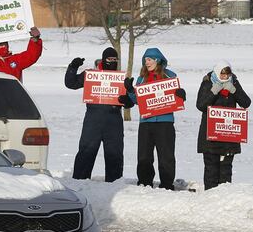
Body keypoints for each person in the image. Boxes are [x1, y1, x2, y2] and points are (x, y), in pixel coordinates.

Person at [120, 48, 185, 190]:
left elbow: (175, 97)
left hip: (165, 122)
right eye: (145, 60)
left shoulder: (170, 76)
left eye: (149, 59)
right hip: (146, 123)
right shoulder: (141, 78)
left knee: (166, 156)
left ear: (158, 60)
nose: (146, 62)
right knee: (144, 156)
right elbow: (137, 100)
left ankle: (167, 185)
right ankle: (144, 183)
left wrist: (181, 95)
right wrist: (130, 90)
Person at [65, 47, 125, 182]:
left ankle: (114, 184)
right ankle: (80, 183)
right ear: (104, 60)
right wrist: (72, 67)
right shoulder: (91, 74)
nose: (113, 62)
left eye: (115, 60)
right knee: (86, 151)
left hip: (114, 120)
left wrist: (127, 100)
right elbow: (71, 83)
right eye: (110, 59)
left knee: (114, 153)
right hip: (93, 119)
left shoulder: (120, 78)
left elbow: (130, 100)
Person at [195, 60, 251, 190]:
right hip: (210, 136)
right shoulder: (207, 82)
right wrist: (213, 91)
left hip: (228, 135)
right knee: (211, 169)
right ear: (216, 72)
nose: (225, 77)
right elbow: (201, 105)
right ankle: (210, 196)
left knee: (226, 169)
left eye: (227, 74)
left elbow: (246, 102)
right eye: (222, 74)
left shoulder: (234, 82)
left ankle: (224, 198)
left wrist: (234, 90)